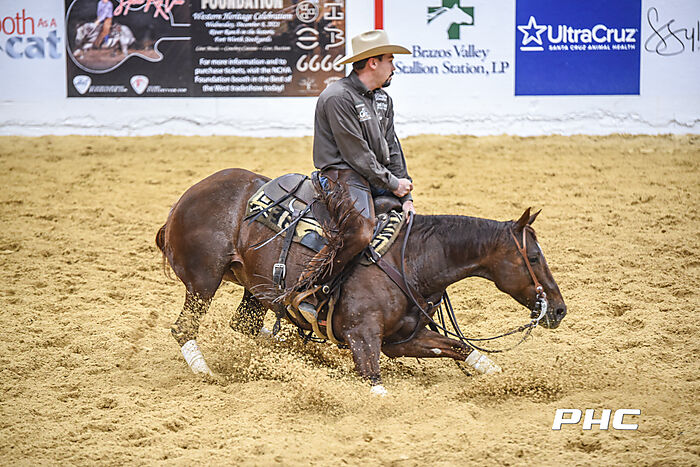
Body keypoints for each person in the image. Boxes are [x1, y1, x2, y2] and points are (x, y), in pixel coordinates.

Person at [287, 30, 415, 323]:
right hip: (342, 174)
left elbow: (392, 147)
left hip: (372, 175)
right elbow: (356, 154)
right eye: (390, 60)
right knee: (360, 232)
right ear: (373, 62)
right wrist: (393, 184)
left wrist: (405, 194)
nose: (394, 67)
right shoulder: (337, 97)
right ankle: (309, 289)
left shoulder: (383, 100)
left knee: (409, 227)